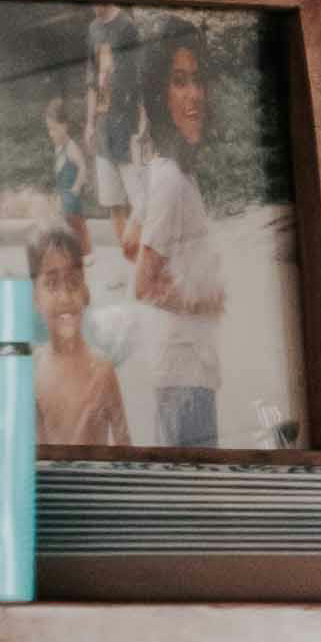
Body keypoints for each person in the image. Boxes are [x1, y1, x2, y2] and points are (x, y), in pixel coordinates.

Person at [126, 29, 228, 448]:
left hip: (186, 370)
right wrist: (201, 300)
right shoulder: (171, 180)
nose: (194, 95)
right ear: (160, 97)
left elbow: (132, 237)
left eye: (198, 79)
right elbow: (142, 285)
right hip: (183, 377)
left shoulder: (167, 170)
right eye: (179, 81)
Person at [26, 221, 129, 451]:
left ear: (85, 291)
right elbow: (37, 455)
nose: (64, 297)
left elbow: (125, 448)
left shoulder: (103, 370)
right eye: (51, 284)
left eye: (73, 282)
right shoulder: (33, 369)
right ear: (35, 296)